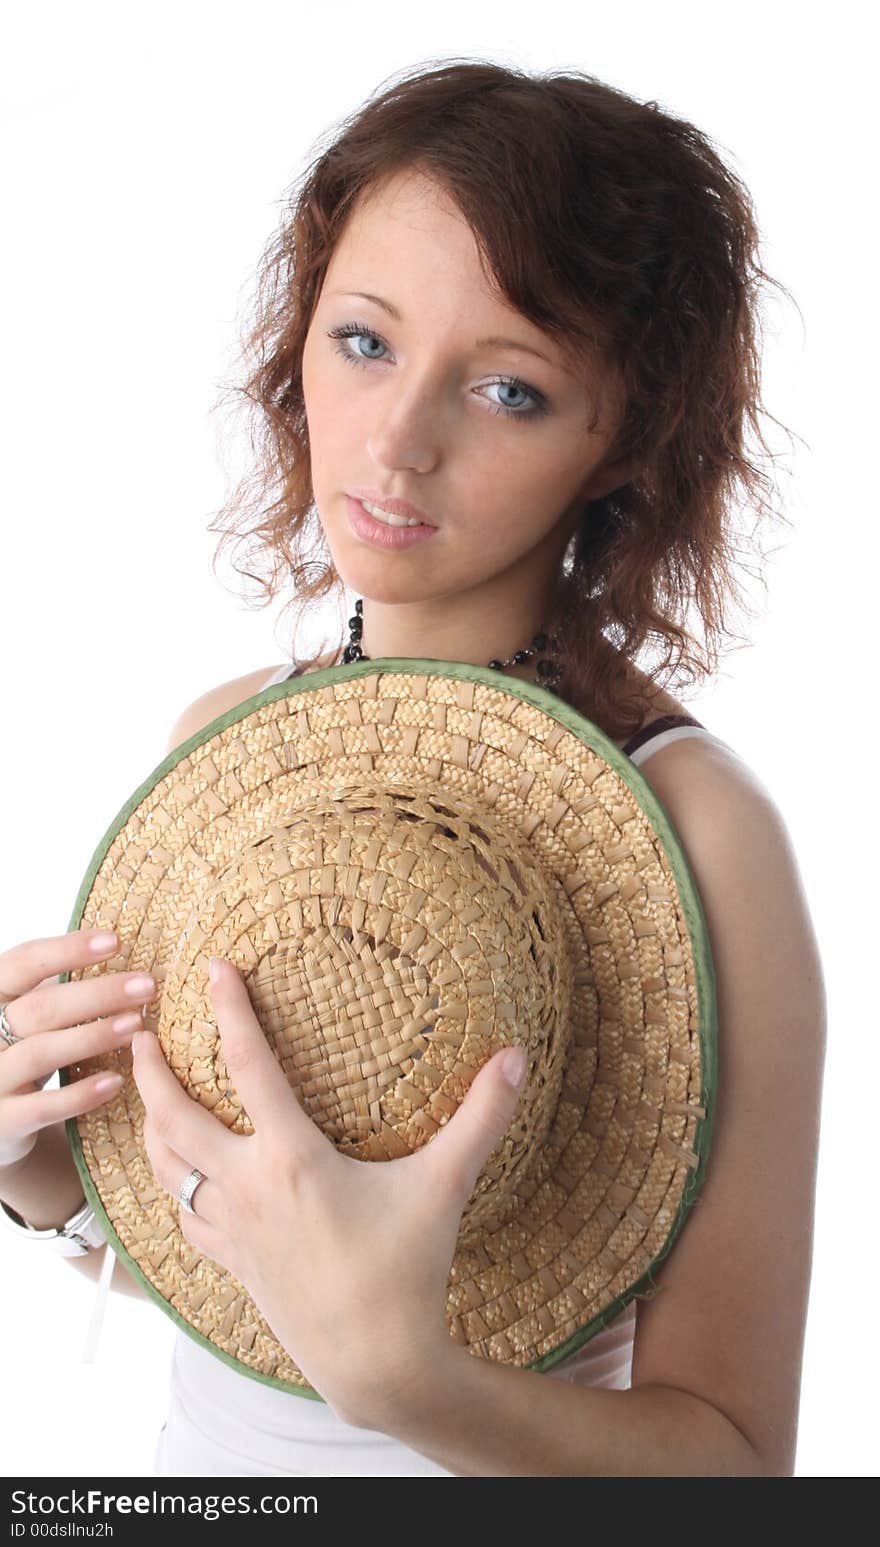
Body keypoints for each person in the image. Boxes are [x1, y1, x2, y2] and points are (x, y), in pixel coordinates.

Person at [0, 59, 826, 1478]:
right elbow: (256, 1304)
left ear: (619, 435)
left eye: (509, 388)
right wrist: (51, 1191)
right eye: (365, 343)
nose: (397, 443)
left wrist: (412, 1386)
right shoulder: (225, 747)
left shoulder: (698, 824)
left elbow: (736, 1467)